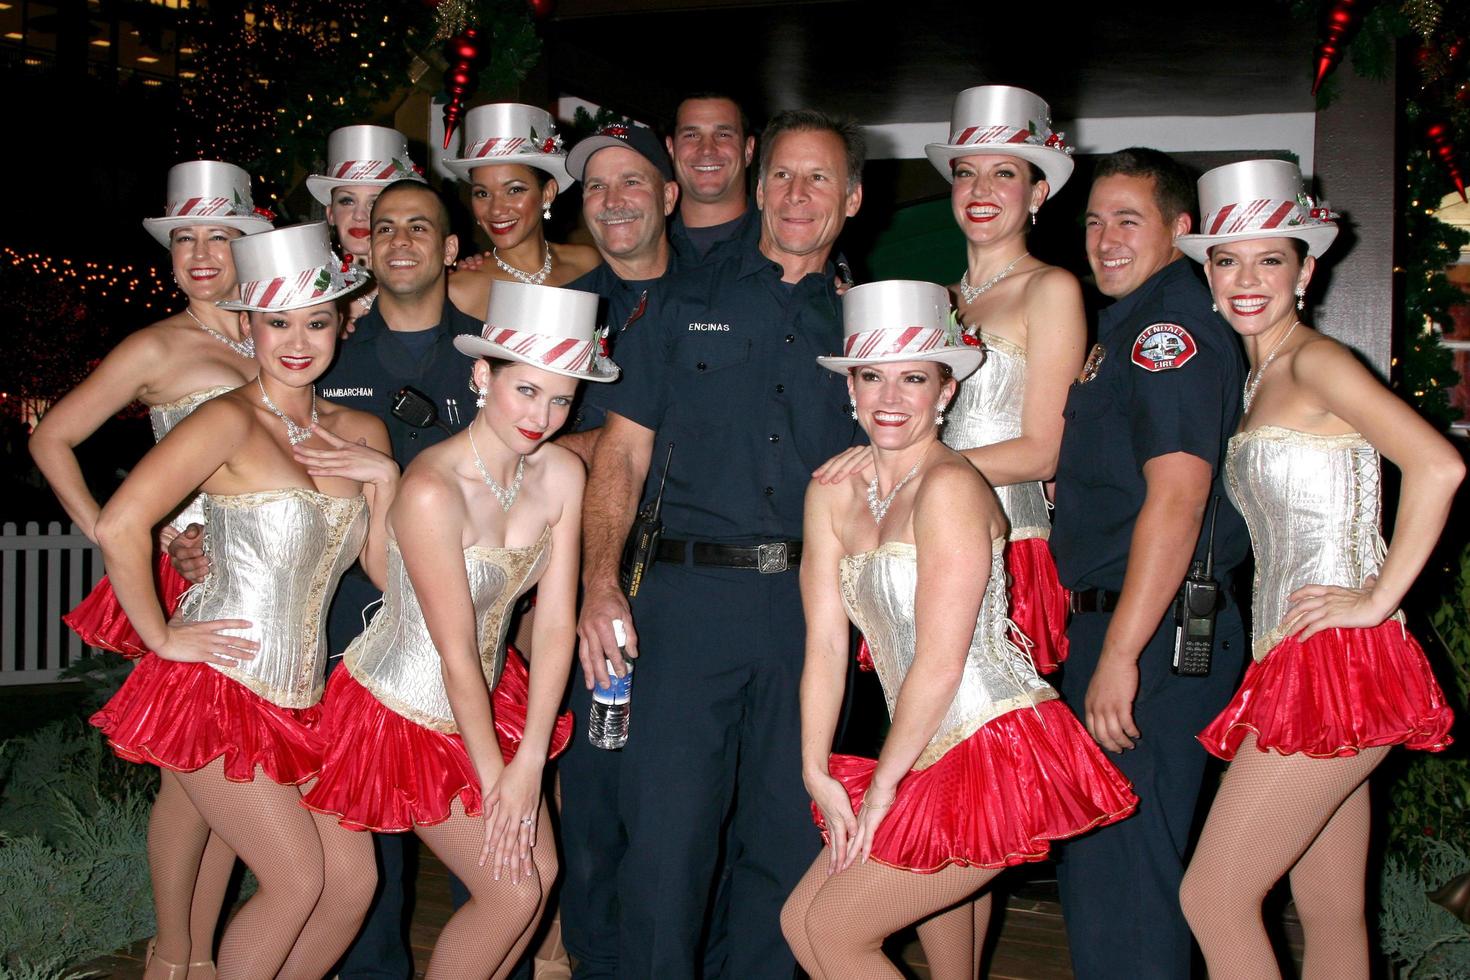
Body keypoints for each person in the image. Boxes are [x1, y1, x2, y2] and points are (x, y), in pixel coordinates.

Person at [574, 108, 864, 980]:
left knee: (783, 834)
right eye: (782, 174)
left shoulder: (866, 329)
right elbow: (621, 449)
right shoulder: (683, 300)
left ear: (850, 197)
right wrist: (598, 581)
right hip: (683, 604)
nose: (797, 194)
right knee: (666, 839)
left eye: (818, 178)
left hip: (808, 611)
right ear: (756, 183)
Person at [782, 279, 1136, 979]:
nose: (890, 397)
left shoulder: (951, 488)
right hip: (922, 743)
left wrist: (884, 787)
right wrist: (813, 765)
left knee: (834, 929)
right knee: (802, 922)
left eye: (914, 377)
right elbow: (825, 645)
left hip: (990, 741)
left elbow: (942, 665)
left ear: (946, 392)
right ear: (849, 389)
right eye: (872, 376)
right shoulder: (831, 493)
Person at [1173, 160, 1460, 979]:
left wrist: (1376, 602)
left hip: (1337, 660)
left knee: (1213, 898)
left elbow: (1439, 467)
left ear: (1307, 266)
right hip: (1297, 660)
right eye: (1228, 260)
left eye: (1271, 259)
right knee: (1331, 913)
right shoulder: (1264, 373)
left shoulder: (1315, 364)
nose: (1247, 279)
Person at [90, 222, 395, 978]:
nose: (298, 340)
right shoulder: (224, 419)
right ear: (250, 325)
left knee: (352, 885)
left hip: (304, 693)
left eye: (316, 321)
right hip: (215, 685)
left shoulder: (359, 429)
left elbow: (385, 574)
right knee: (296, 880)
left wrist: (384, 485)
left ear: (338, 324)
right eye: (278, 321)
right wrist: (160, 637)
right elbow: (122, 521)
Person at [303, 282, 609, 979]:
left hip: (485, 696)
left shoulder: (561, 472)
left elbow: (556, 622)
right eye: (527, 391)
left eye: (562, 398)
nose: (544, 415)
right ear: (481, 375)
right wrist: (498, 774)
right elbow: (452, 653)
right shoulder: (432, 487)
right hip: (397, 706)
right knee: (511, 888)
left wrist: (531, 759)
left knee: (537, 877)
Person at [30, 159, 272, 980]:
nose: (201, 254)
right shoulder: (157, 344)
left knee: (224, 776)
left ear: (250, 242)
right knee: (188, 781)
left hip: (268, 575)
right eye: (185, 239)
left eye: (220, 236)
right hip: (198, 577)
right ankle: (176, 959)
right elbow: (50, 437)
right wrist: (113, 528)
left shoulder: (279, 326)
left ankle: (198, 955)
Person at [1048, 147, 1252, 980]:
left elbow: (1178, 499)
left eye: (1128, 219)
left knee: (1130, 884)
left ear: (1181, 229)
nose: (1104, 239)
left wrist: (1123, 653)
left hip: (1151, 633)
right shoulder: (1127, 326)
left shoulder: (1168, 330)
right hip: (1124, 624)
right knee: (1109, 877)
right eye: (1094, 221)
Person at [817, 84, 1084, 675]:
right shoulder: (939, 300)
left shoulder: (1051, 288)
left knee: (989, 732)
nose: (981, 191)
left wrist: (905, 472)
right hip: (916, 534)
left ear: (1038, 191)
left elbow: (1046, 451)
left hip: (1005, 540)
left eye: (1004, 174)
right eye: (966, 173)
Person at [553, 121, 678, 979]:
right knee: (594, 805)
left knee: (686, 812)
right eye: (596, 188)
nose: (613, 201)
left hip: (705, 588)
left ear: (671, 194)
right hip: (592, 588)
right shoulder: (566, 312)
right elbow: (523, 445)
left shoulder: (722, 293)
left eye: (632, 182)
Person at [445, 103, 600, 320]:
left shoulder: (587, 264)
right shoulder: (458, 289)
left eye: (514, 190)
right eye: (482, 193)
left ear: (547, 193)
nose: (496, 209)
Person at [305, 124, 427, 323]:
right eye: (347, 201)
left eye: (374, 203)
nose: (359, 215)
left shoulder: (425, 284)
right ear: (330, 213)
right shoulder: (306, 289)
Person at [664, 92, 760, 266]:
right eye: (691, 135)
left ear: (748, 150)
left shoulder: (782, 242)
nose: (707, 149)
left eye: (723, 135)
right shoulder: (644, 241)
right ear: (671, 149)